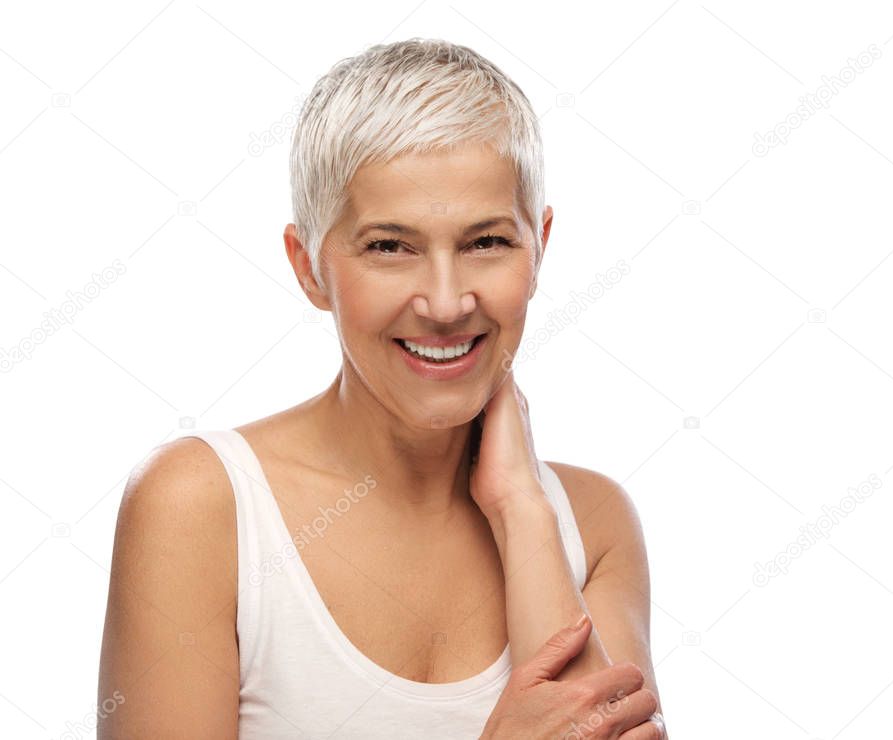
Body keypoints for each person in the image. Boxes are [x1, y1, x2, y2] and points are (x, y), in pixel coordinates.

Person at [97, 37, 666, 738]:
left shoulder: (592, 522)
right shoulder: (201, 504)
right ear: (308, 267)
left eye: (486, 241)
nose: (446, 300)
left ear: (538, 247)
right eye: (389, 247)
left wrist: (521, 509)